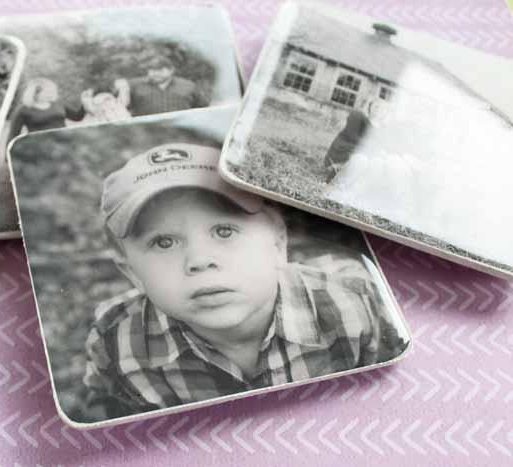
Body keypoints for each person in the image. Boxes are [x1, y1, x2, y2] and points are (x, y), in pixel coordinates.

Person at [83, 143, 408, 418]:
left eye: (224, 231)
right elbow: (110, 414)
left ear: (278, 244)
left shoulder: (355, 301)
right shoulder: (115, 341)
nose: (199, 260)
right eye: (163, 242)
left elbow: (388, 395)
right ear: (132, 274)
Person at [124, 56, 209, 117]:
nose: (156, 73)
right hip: (147, 130)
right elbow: (120, 106)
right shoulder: (134, 85)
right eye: (152, 70)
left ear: (171, 70)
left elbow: (202, 108)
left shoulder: (188, 86)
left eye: (160, 70)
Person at [7, 77, 86, 141]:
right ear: (35, 93)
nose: (50, 94)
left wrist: (84, 103)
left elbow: (77, 117)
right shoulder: (23, 110)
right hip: (42, 148)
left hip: (64, 143)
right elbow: (13, 135)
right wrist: (8, 158)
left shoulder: (58, 104)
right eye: (47, 91)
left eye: (51, 91)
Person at [323, 100, 374, 182]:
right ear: (369, 106)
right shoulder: (357, 115)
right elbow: (352, 135)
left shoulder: (371, 120)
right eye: (376, 107)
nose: (378, 110)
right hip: (341, 151)